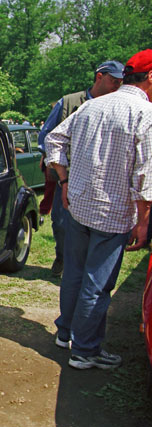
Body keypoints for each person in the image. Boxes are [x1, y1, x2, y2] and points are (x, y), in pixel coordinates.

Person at [45, 49, 152, 370]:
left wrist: (63, 182)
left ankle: (66, 334)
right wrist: (144, 220)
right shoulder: (145, 114)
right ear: (150, 78)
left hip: (79, 206)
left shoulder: (93, 105)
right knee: (97, 284)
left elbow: (53, 140)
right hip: (113, 213)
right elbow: (146, 172)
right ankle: (85, 350)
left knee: (75, 275)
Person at [38, 60, 124, 276]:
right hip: (66, 177)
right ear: (99, 77)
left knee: (98, 227)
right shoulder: (69, 102)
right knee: (61, 222)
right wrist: (53, 163)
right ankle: (63, 259)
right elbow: (47, 135)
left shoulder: (119, 105)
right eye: (114, 80)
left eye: (120, 82)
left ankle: (84, 268)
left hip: (104, 178)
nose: (117, 86)